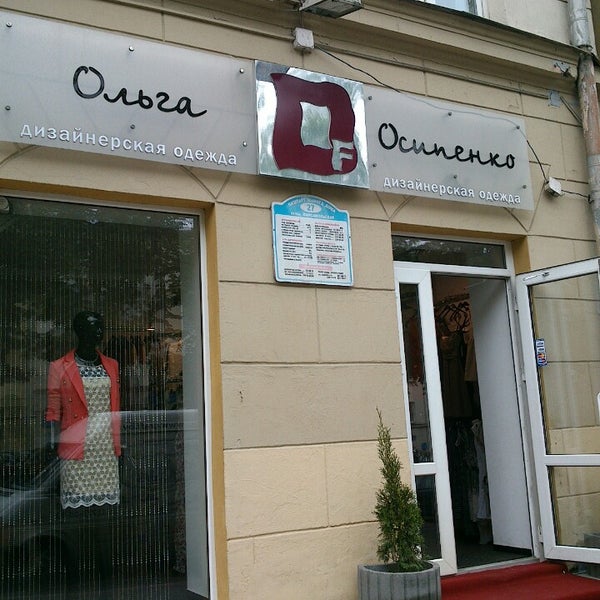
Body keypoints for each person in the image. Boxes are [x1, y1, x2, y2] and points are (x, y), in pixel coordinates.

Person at [46, 311, 121, 509]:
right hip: (76, 445)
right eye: (93, 328)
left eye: (101, 328)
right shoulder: (59, 367)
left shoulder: (112, 365)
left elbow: (115, 406)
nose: (99, 332)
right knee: (77, 509)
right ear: (79, 331)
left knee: (105, 509)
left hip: (105, 447)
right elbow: (53, 411)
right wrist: (52, 445)